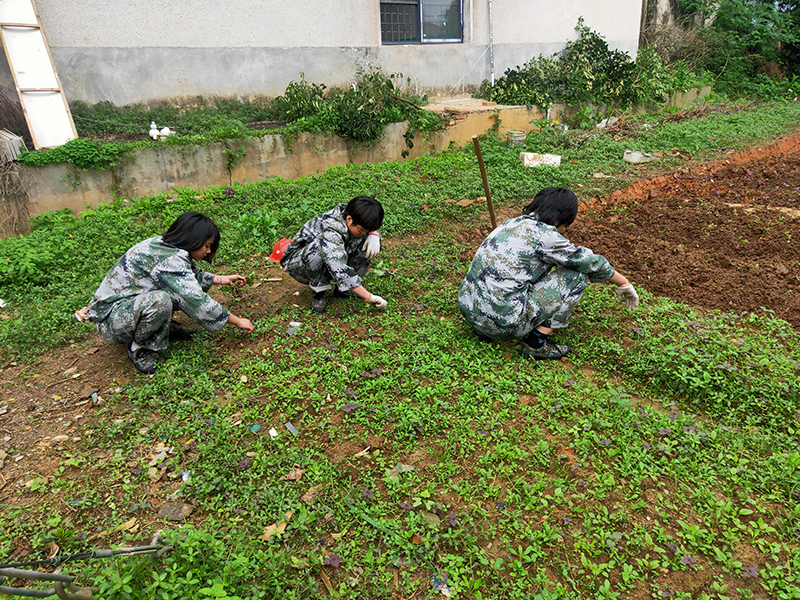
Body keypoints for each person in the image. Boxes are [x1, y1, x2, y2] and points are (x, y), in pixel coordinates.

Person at [457, 187, 639, 360]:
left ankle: (484, 326)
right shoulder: (545, 236)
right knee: (576, 276)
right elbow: (588, 262)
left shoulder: (511, 223)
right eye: (565, 227)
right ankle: (536, 345)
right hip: (505, 324)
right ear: (559, 220)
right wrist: (623, 282)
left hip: (470, 311)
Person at [77, 211, 254, 374]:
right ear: (193, 238)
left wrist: (222, 279)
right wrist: (238, 321)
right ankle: (138, 348)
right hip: (110, 321)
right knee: (159, 300)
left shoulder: (166, 246)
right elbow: (196, 300)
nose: (208, 251)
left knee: (172, 292)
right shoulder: (169, 259)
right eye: (207, 246)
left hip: (125, 308)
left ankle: (162, 328)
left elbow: (189, 276)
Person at [280, 196, 388, 314]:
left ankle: (346, 290)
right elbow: (338, 267)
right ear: (349, 219)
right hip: (299, 265)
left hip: (331, 255)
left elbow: (366, 229)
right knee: (317, 251)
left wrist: (374, 235)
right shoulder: (331, 229)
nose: (364, 232)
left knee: (368, 241)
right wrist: (368, 297)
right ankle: (319, 293)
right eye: (362, 229)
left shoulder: (355, 213)